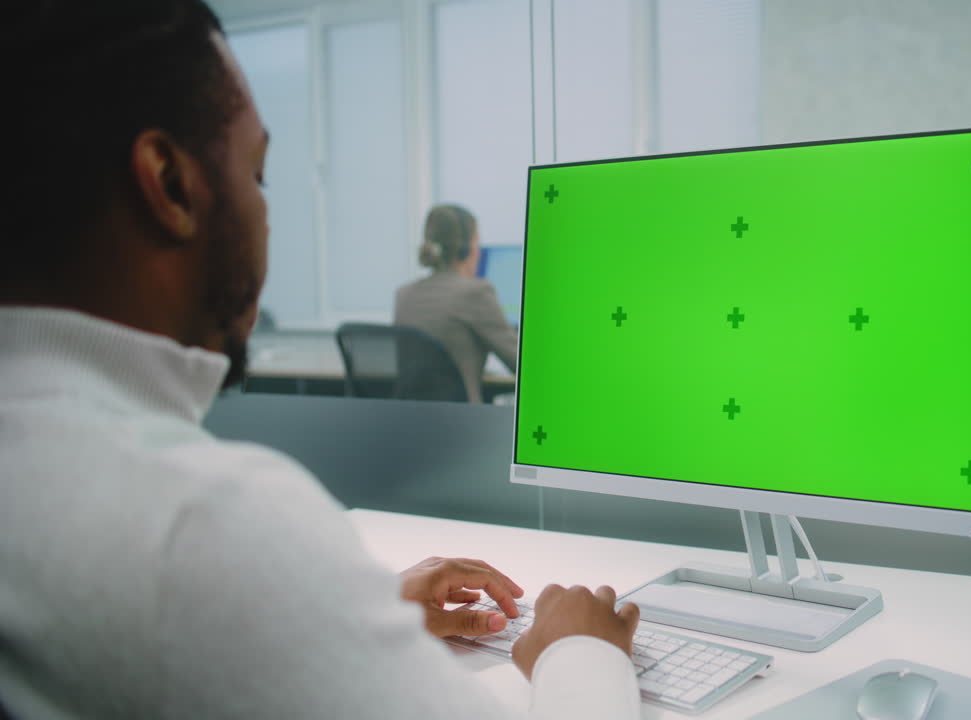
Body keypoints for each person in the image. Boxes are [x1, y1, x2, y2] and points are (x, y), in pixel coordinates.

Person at [0, 2, 641, 718]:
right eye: (260, 173)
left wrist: (320, 616)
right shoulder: (201, 522)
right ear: (171, 185)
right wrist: (578, 652)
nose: (267, 212)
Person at [394, 205, 519, 403]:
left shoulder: (404, 294)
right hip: (463, 423)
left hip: (413, 421)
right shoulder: (476, 293)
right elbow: (519, 363)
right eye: (477, 242)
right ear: (466, 248)